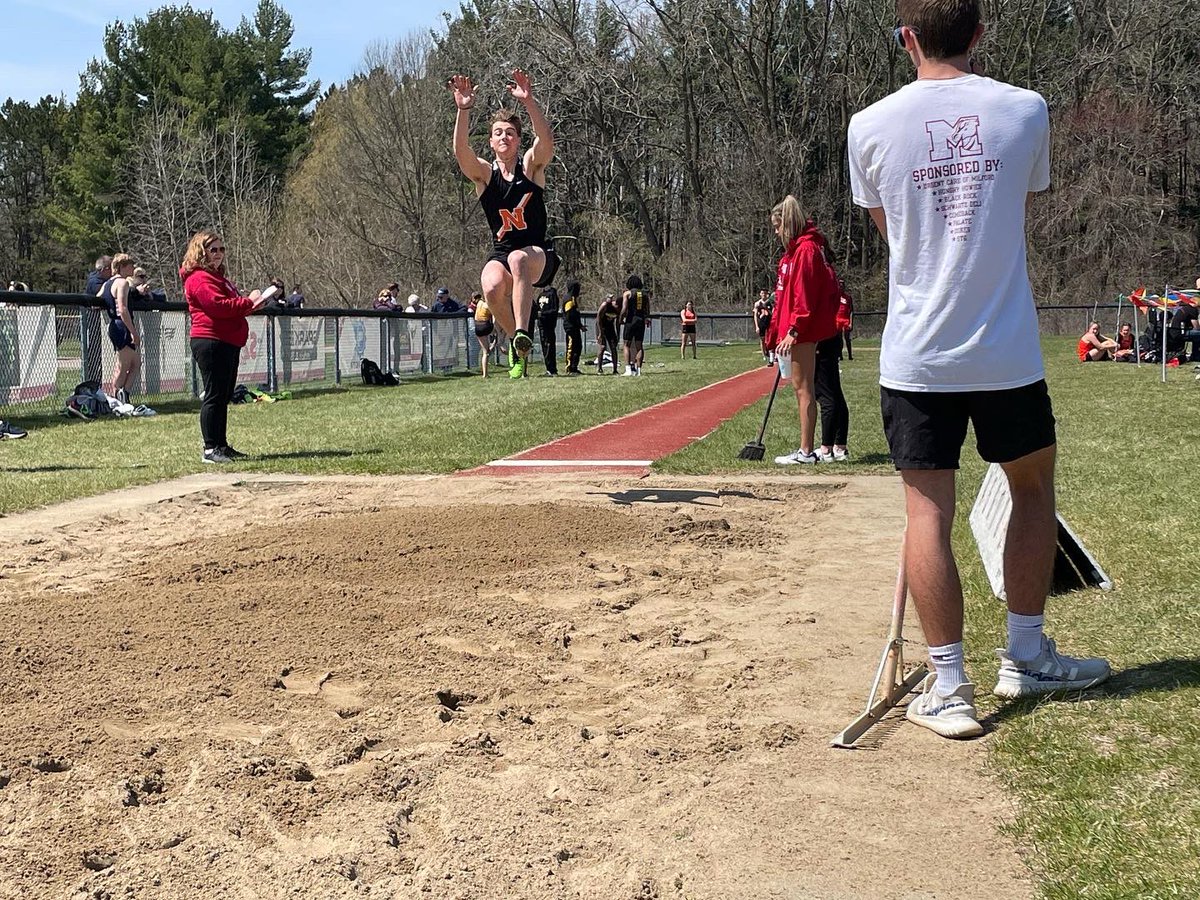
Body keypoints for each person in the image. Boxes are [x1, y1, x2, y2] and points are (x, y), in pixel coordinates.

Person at [847, 0, 1110, 739]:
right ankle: (1024, 653)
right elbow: (1005, 204)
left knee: (925, 510)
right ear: (979, 34)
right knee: (1032, 487)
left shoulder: (867, 126)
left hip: (918, 353)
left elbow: (895, 231)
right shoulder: (1025, 110)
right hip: (1004, 350)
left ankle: (951, 683)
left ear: (906, 38)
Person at [449, 69, 558, 380]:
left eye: (510, 132)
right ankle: (517, 343)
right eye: (498, 132)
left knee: (519, 257)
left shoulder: (530, 167)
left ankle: (523, 331)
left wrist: (529, 101)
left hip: (538, 253)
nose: (504, 137)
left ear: (518, 139)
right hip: (502, 252)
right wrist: (463, 109)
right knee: (491, 284)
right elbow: (461, 153)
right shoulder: (485, 175)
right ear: (492, 141)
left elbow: (546, 141)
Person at [181, 230, 268, 464]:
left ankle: (221, 445)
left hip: (227, 340)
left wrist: (252, 305)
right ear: (201, 251)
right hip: (211, 341)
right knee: (214, 395)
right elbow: (218, 306)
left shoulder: (218, 277)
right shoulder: (198, 278)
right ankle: (210, 449)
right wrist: (249, 300)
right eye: (213, 250)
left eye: (222, 249)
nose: (218, 254)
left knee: (224, 394)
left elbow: (233, 307)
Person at [767, 196, 840, 465]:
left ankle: (806, 451)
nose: (775, 233)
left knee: (804, 388)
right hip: (796, 329)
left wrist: (794, 330)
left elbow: (804, 296)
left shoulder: (806, 251)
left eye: (777, 227)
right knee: (802, 387)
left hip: (803, 331)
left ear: (787, 224)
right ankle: (806, 449)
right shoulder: (795, 252)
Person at [99, 253, 142, 405]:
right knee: (124, 365)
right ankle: (115, 397)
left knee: (136, 363)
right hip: (121, 325)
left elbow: (97, 298)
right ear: (122, 267)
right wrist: (133, 332)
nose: (133, 268)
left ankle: (124, 393)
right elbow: (122, 309)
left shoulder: (107, 284)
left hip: (116, 325)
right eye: (130, 265)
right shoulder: (122, 283)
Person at [815, 329, 850, 461]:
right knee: (835, 395)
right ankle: (839, 447)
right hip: (831, 337)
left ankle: (826, 449)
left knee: (826, 396)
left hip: (823, 338)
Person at [83, 255, 112, 381]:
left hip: (104, 321)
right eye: (112, 268)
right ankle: (94, 380)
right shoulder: (94, 281)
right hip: (94, 322)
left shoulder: (106, 280)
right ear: (104, 269)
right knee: (95, 352)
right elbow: (106, 292)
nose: (114, 271)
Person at [620, 275, 650, 376]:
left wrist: (620, 319)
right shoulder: (645, 294)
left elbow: (624, 309)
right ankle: (639, 370)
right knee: (639, 346)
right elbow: (647, 309)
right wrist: (647, 318)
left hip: (630, 320)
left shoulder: (627, 294)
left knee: (626, 345)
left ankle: (628, 369)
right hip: (641, 320)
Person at [535, 285, 560, 376]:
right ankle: (548, 368)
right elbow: (537, 308)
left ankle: (552, 369)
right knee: (544, 347)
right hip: (541, 325)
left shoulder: (552, 294)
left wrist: (543, 314)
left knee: (549, 346)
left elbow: (554, 310)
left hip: (549, 324)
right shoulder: (541, 294)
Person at [471, 292, 495, 378]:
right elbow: (494, 314)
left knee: (485, 351)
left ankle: (485, 374)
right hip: (486, 326)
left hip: (478, 327)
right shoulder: (485, 305)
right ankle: (497, 342)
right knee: (500, 333)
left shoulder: (477, 305)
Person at [595, 293, 621, 374]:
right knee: (602, 347)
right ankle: (599, 368)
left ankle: (615, 369)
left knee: (613, 347)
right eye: (617, 306)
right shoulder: (606, 305)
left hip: (610, 327)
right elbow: (598, 318)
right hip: (601, 326)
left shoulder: (619, 310)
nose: (618, 308)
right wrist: (600, 333)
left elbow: (617, 323)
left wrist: (618, 335)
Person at [562, 281, 584, 375]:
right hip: (570, 327)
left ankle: (575, 367)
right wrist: (575, 324)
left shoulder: (574, 298)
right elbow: (569, 315)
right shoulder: (569, 299)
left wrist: (580, 325)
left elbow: (576, 314)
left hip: (575, 327)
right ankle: (569, 368)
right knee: (571, 347)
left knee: (578, 346)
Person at [754, 290, 774, 364]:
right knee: (762, 339)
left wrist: (766, 308)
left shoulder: (770, 303)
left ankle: (772, 355)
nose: (764, 295)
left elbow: (772, 314)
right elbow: (755, 315)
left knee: (770, 338)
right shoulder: (757, 303)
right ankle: (764, 355)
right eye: (762, 293)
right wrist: (756, 326)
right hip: (762, 322)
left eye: (765, 293)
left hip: (769, 322)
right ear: (760, 294)